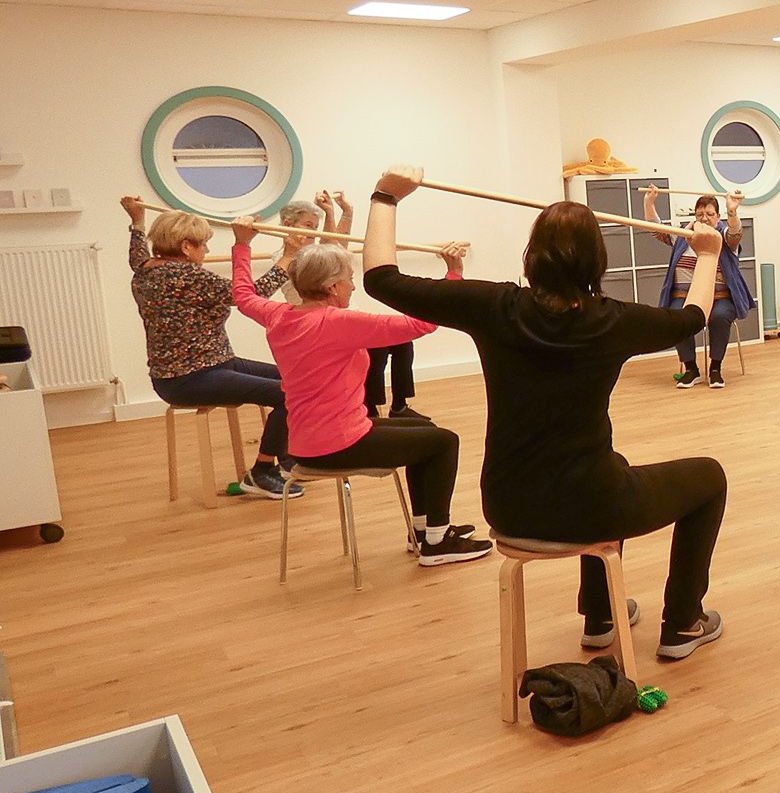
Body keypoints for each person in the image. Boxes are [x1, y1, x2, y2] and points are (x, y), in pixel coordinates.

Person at [362, 168, 730, 657]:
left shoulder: (494, 305)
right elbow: (695, 317)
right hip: (594, 505)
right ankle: (683, 623)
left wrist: (386, 195)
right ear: (597, 260)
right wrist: (709, 253)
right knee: (704, 478)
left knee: (611, 471)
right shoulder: (613, 321)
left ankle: (602, 618)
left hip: (509, 505)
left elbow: (380, 279)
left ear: (531, 255)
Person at [228, 219, 490, 566]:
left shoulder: (279, 316)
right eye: (350, 279)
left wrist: (241, 244)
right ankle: (436, 544)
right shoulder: (338, 323)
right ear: (333, 286)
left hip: (308, 441)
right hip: (338, 443)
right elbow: (424, 324)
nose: (353, 286)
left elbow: (244, 295)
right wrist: (454, 273)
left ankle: (425, 532)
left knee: (424, 436)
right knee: (444, 442)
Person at [120, 195, 301, 499]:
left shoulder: (145, 269)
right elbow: (251, 295)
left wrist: (137, 220)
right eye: (203, 244)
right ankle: (262, 471)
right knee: (291, 392)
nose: (206, 250)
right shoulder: (190, 277)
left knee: (297, 380)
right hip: (191, 379)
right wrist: (289, 255)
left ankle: (285, 457)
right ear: (186, 247)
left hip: (207, 366)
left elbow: (136, 252)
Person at [644, 187, 755, 390]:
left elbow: (735, 233)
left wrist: (733, 211)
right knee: (677, 316)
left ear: (718, 217)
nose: (704, 219)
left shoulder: (723, 237)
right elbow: (657, 231)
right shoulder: (684, 235)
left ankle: (715, 369)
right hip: (685, 297)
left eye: (709, 214)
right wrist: (649, 203)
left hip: (720, 298)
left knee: (719, 317)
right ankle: (691, 369)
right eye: (699, 214)